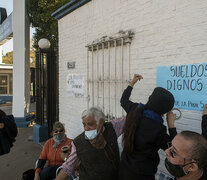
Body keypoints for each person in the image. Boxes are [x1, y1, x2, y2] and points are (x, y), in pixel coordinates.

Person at [119, 74, 177, 180]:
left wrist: (132, 83)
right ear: (165, 110)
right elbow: (174, 151)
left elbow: (123, 101)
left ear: (150, 98)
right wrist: (171, 125)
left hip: (124, 168)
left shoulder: (135, 109)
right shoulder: (158, 129)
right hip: (142, 175)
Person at [56, 107, 125, 180]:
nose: (86, 128)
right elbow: (68, 167)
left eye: (90, 124)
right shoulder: (78, 143)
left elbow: (130, 119)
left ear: (100, 123)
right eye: (84, 125)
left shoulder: (112, 128)